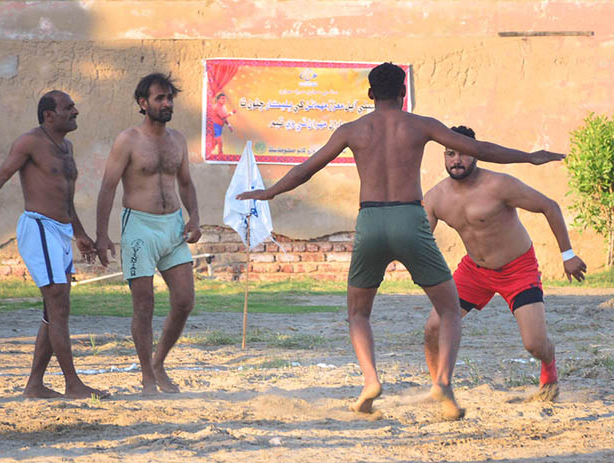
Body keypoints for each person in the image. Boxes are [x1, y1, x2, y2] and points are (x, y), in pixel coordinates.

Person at [237, 62, 564, 420]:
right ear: (404, 93)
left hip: (371, 220)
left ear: (370, 94)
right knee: (450, 309)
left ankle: (370, 381)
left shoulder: (351, 130)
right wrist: (529, 157)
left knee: (358, 313)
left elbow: (307, 168)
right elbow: (480, 149)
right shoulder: (420, 125)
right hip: (410, 217)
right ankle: (443, 384)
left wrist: (269, 192)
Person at [0, 90, 109, 400]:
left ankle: (35, 385)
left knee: (53, 310)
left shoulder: (66, 147)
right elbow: (1, 174)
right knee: (59, 305)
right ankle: (73, 384)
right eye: (68, 108)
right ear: (49, 115)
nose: (75, 111)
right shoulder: (30, 142)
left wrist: (79, 233)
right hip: (39, 227)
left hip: (61, 232)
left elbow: (65, 197)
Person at [423, 125, 586, 402]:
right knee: (433, 328)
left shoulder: (499, 186)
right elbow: (420, 237)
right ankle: (440, 387)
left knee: (534, 344)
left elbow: (549, 206)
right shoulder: (436, 197)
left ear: (476, 155)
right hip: (473, 272)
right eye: (450, 154)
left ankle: (549, 366)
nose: (456, 161)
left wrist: (567, 255)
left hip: (517, 269)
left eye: (463, 154)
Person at [95, 72, 201, 396]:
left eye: (170, 98)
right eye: (160, 98)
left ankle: (159, 363)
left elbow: (185, 183)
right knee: (144, 304)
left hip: (172, 226)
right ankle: (147, 377)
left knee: (184, 300)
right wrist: (102, 236)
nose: (167, 103)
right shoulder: (127, 140)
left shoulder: (178, 140)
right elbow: (108, 187)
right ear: (143, 103)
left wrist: (195, 217)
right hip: (139, 227)